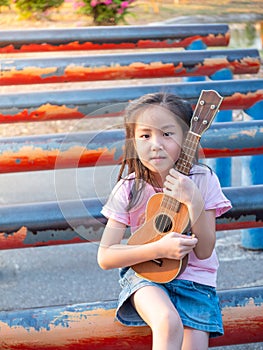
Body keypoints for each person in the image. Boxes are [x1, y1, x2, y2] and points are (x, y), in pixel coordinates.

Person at [97, 92, 232, 350]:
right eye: (145, 135)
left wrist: (194, 200)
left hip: (195, 282)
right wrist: (159, 249)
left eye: (167, 134)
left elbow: (204, 251)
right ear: (133, 142)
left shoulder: (203, 180)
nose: (156, 144)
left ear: (186, 137)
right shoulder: (130, 188)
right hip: (145, 275)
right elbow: (105, 256)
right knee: (167, 321)